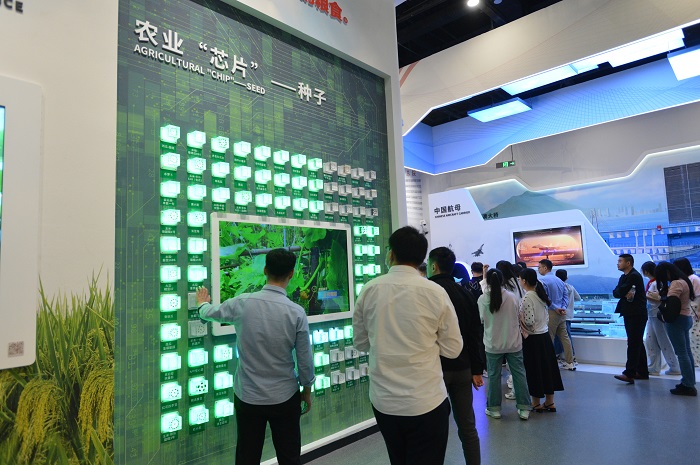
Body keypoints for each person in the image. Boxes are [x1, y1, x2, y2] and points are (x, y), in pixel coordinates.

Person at [352, 226, 463, 465]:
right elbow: (453, 349)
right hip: (426, 400)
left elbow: (360, 343)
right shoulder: (435, 292)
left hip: (385, 401)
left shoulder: (369, 290)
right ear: (422, 259)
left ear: (391, 254)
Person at [196, 248, 314, 465]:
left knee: (247, 457)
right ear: (291, 274)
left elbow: (210, 313)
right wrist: (306, 390)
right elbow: (305, 360)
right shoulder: (296, 312)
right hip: (285, 396)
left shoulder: (242, 303)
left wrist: (202, 303)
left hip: (248, 396)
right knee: (289, 456)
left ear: (265, 270)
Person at [427, 247, 485, 464]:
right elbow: (474, 334)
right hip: (463, 368)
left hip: (435, 370)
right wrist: (477, 369)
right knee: (468, 426)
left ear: (433, 266)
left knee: (434, 428)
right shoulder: (465, 293)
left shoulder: (428, 293)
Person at [478, 268, 532, 421]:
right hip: (513, 342)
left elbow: (482, 319)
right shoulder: (512, 297)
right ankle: (524, 408)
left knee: (494, 376)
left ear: (487, 281)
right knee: (519, 374)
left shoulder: (482, 299)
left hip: (493, 344)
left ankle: (494, 409)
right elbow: (518, 315)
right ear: (503, 281)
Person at [519, 268, 564, 412]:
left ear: (524, 281)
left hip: (533, 339)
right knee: (547, 369)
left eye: (520, 279)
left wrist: (520, 322)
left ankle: (536, 403)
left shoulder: (527, 297)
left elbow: (529, 321)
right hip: (544, 336)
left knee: (534, 370)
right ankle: (550, 402)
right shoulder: (541, 295)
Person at [654, 261, 697, 396]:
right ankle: (690, 381)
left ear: (667, 272)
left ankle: (687, 385)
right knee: (687, 352)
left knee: (681, 353)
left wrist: (659, 297)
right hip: (686, 317)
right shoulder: (685, 281)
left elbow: (672, 302)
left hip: (676, 320)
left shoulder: (676, 283)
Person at [612, 254, 649, 384]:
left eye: (620, 261)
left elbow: (620, 291)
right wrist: (621, 292)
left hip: (636, 313)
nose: (618, 263)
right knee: (637, 342)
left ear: (628, 263)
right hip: (631, 313)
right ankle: (642, 371)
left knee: (633, 343)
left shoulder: (633, 276)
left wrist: (621, 292)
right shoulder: (624, 277)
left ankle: (630, 373)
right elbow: (617, 292)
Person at [641, 261, 680, 375]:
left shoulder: (657, 283)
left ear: (646, 271)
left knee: (664, 341)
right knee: (650, 341)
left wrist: (647, 296)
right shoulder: (653, 283)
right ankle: (653, 367)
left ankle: (675, 366)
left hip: (658, 314)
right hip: (652, 315)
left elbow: (661, 298)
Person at [537, 259, 574, 371]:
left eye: (539, 267)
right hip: (562, 313)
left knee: (549, 338)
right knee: (565, 338)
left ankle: (549, 363)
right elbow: (565, 296)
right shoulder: (560, 281)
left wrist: (554, 307)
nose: (538, 270)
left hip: (551, 312)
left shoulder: (542, 280)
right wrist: (562, 307)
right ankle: (570, 362)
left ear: (545, 268)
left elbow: (544, 297)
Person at [673, 258, 700, 367]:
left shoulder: (694, 279)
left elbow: (699, 296)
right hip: (689, 310)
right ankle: (693, 361)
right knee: (690, 338)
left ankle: (696, 361)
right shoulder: (686, 279)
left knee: (695, 337)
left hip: (695, 311)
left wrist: (699, 311)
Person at [554, 269, 581, 366]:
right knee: (566, 336)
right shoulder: (571, 287)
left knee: (560, 337)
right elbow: (578, 298)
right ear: (566, 277)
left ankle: (567, 357)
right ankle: (570, 357)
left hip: (559, 315)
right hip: (569, 315)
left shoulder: (557, 287)